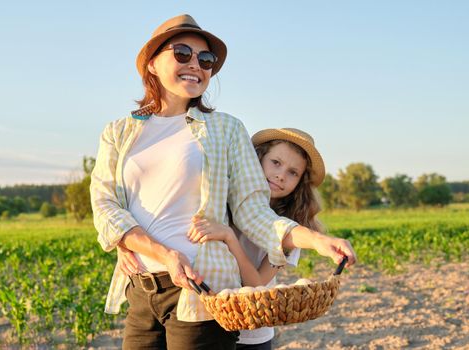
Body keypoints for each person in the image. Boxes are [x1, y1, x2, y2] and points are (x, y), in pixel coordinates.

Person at [90, 14, 356, 350]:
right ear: (152, 64)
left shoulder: (226, 129)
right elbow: (105, 205)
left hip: (203, 291)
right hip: (142, 288)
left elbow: (253, 211)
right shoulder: (119, 132)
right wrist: (155, 252)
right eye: (182, 53)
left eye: (206, 59)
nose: (196, 65)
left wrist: (315, 240)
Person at [188, 128, 327, 349]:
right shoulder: (223, 202)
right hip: (208, 321)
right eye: (276, 163)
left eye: (293, 172)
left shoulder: (290, 231)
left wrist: (230, 238)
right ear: (257, 159)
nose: (281, 175)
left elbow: (257, 284)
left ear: (300, 183)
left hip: (253, 334)